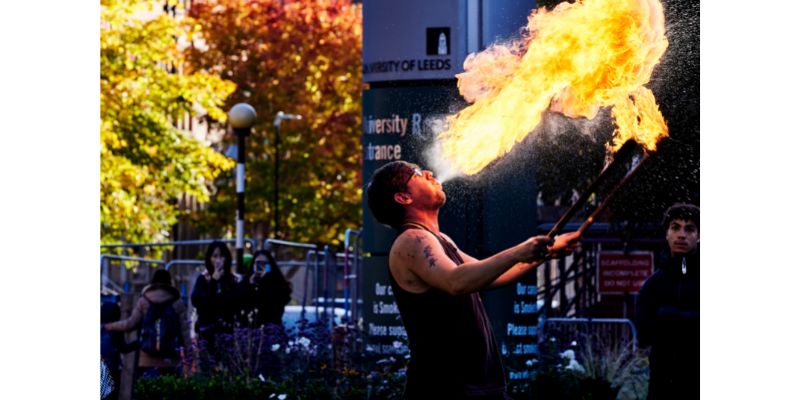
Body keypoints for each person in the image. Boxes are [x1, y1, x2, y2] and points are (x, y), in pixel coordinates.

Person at [366, 160, 580, 399]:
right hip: (444, 388)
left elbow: (485, 275)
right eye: (416, 174)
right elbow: (456, 281)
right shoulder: (412, 240)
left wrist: (547, 252)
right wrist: (520, 250)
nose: (428, 172)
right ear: (403, 198)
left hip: (476, 385)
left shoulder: (439, 239)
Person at [635, 203, 699, 400]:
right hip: (663, 384)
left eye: (689, 229)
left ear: (699, 235)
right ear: (666, 233)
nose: (681, 235)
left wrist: (667, 318)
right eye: (675, 227)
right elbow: (643, 334)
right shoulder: (653, 285)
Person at [104, 269, 192, 377]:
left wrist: (111, 326)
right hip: (171, 359)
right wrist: (190, 356)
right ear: (170, 282)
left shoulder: (144, 300)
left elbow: (130, 324)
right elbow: (185, 332)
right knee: (170, 392)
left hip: (147, 358)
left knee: (147, 391)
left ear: (153, 282)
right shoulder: (177, 302)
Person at [190, 241, 244, 345]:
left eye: (222, 256)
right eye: (215, 256)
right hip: (207, 333)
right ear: (209, 258)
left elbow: (237, 303)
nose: (218, 260)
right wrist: (213, 282)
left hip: (228, 333)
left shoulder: (234, 280)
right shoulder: (203, 279)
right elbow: (198, 302)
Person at [241, 250, 292, 327]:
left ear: (270, 265)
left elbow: (274, 308)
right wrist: (251, 285)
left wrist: (264, 281)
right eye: (258, 263)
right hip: (250, 328)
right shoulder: (247, 282)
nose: (261, 266)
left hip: (271, 328)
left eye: (264, 263)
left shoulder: (279, 284)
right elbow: (242, 302)